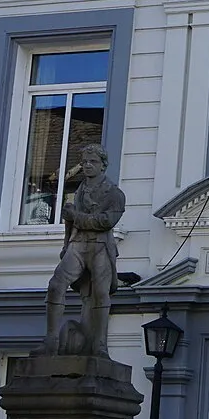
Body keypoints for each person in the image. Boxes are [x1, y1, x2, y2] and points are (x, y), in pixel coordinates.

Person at [43, 145, 126, 356]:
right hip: (78, 244)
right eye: (85, 162)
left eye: (93, 162)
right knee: (55, 285)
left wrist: (76, 217)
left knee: (100, 293)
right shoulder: (78, 190)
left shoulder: (115, 193)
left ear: (103, 165)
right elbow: (68, 222)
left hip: (100, 246)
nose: (88, 166)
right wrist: (65, 245)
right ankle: (50, 341)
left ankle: (100, 346)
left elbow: (106, 221)